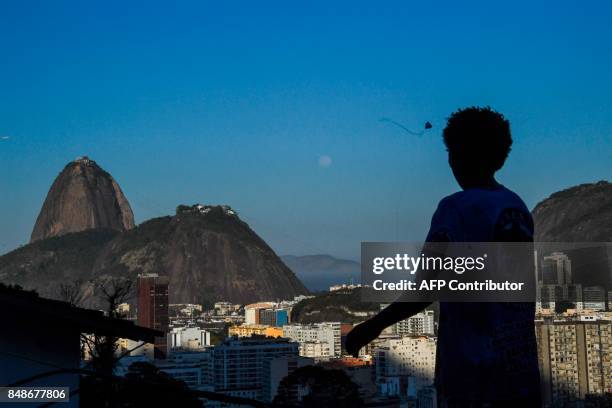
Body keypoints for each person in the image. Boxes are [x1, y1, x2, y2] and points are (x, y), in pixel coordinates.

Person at [346, 106, 541, 407]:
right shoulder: (516, 206)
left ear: (456, 155)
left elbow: (427, 286)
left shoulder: (455, 209)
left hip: (472, 371)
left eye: (451, 151)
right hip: (519, 369)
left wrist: (373, 326)